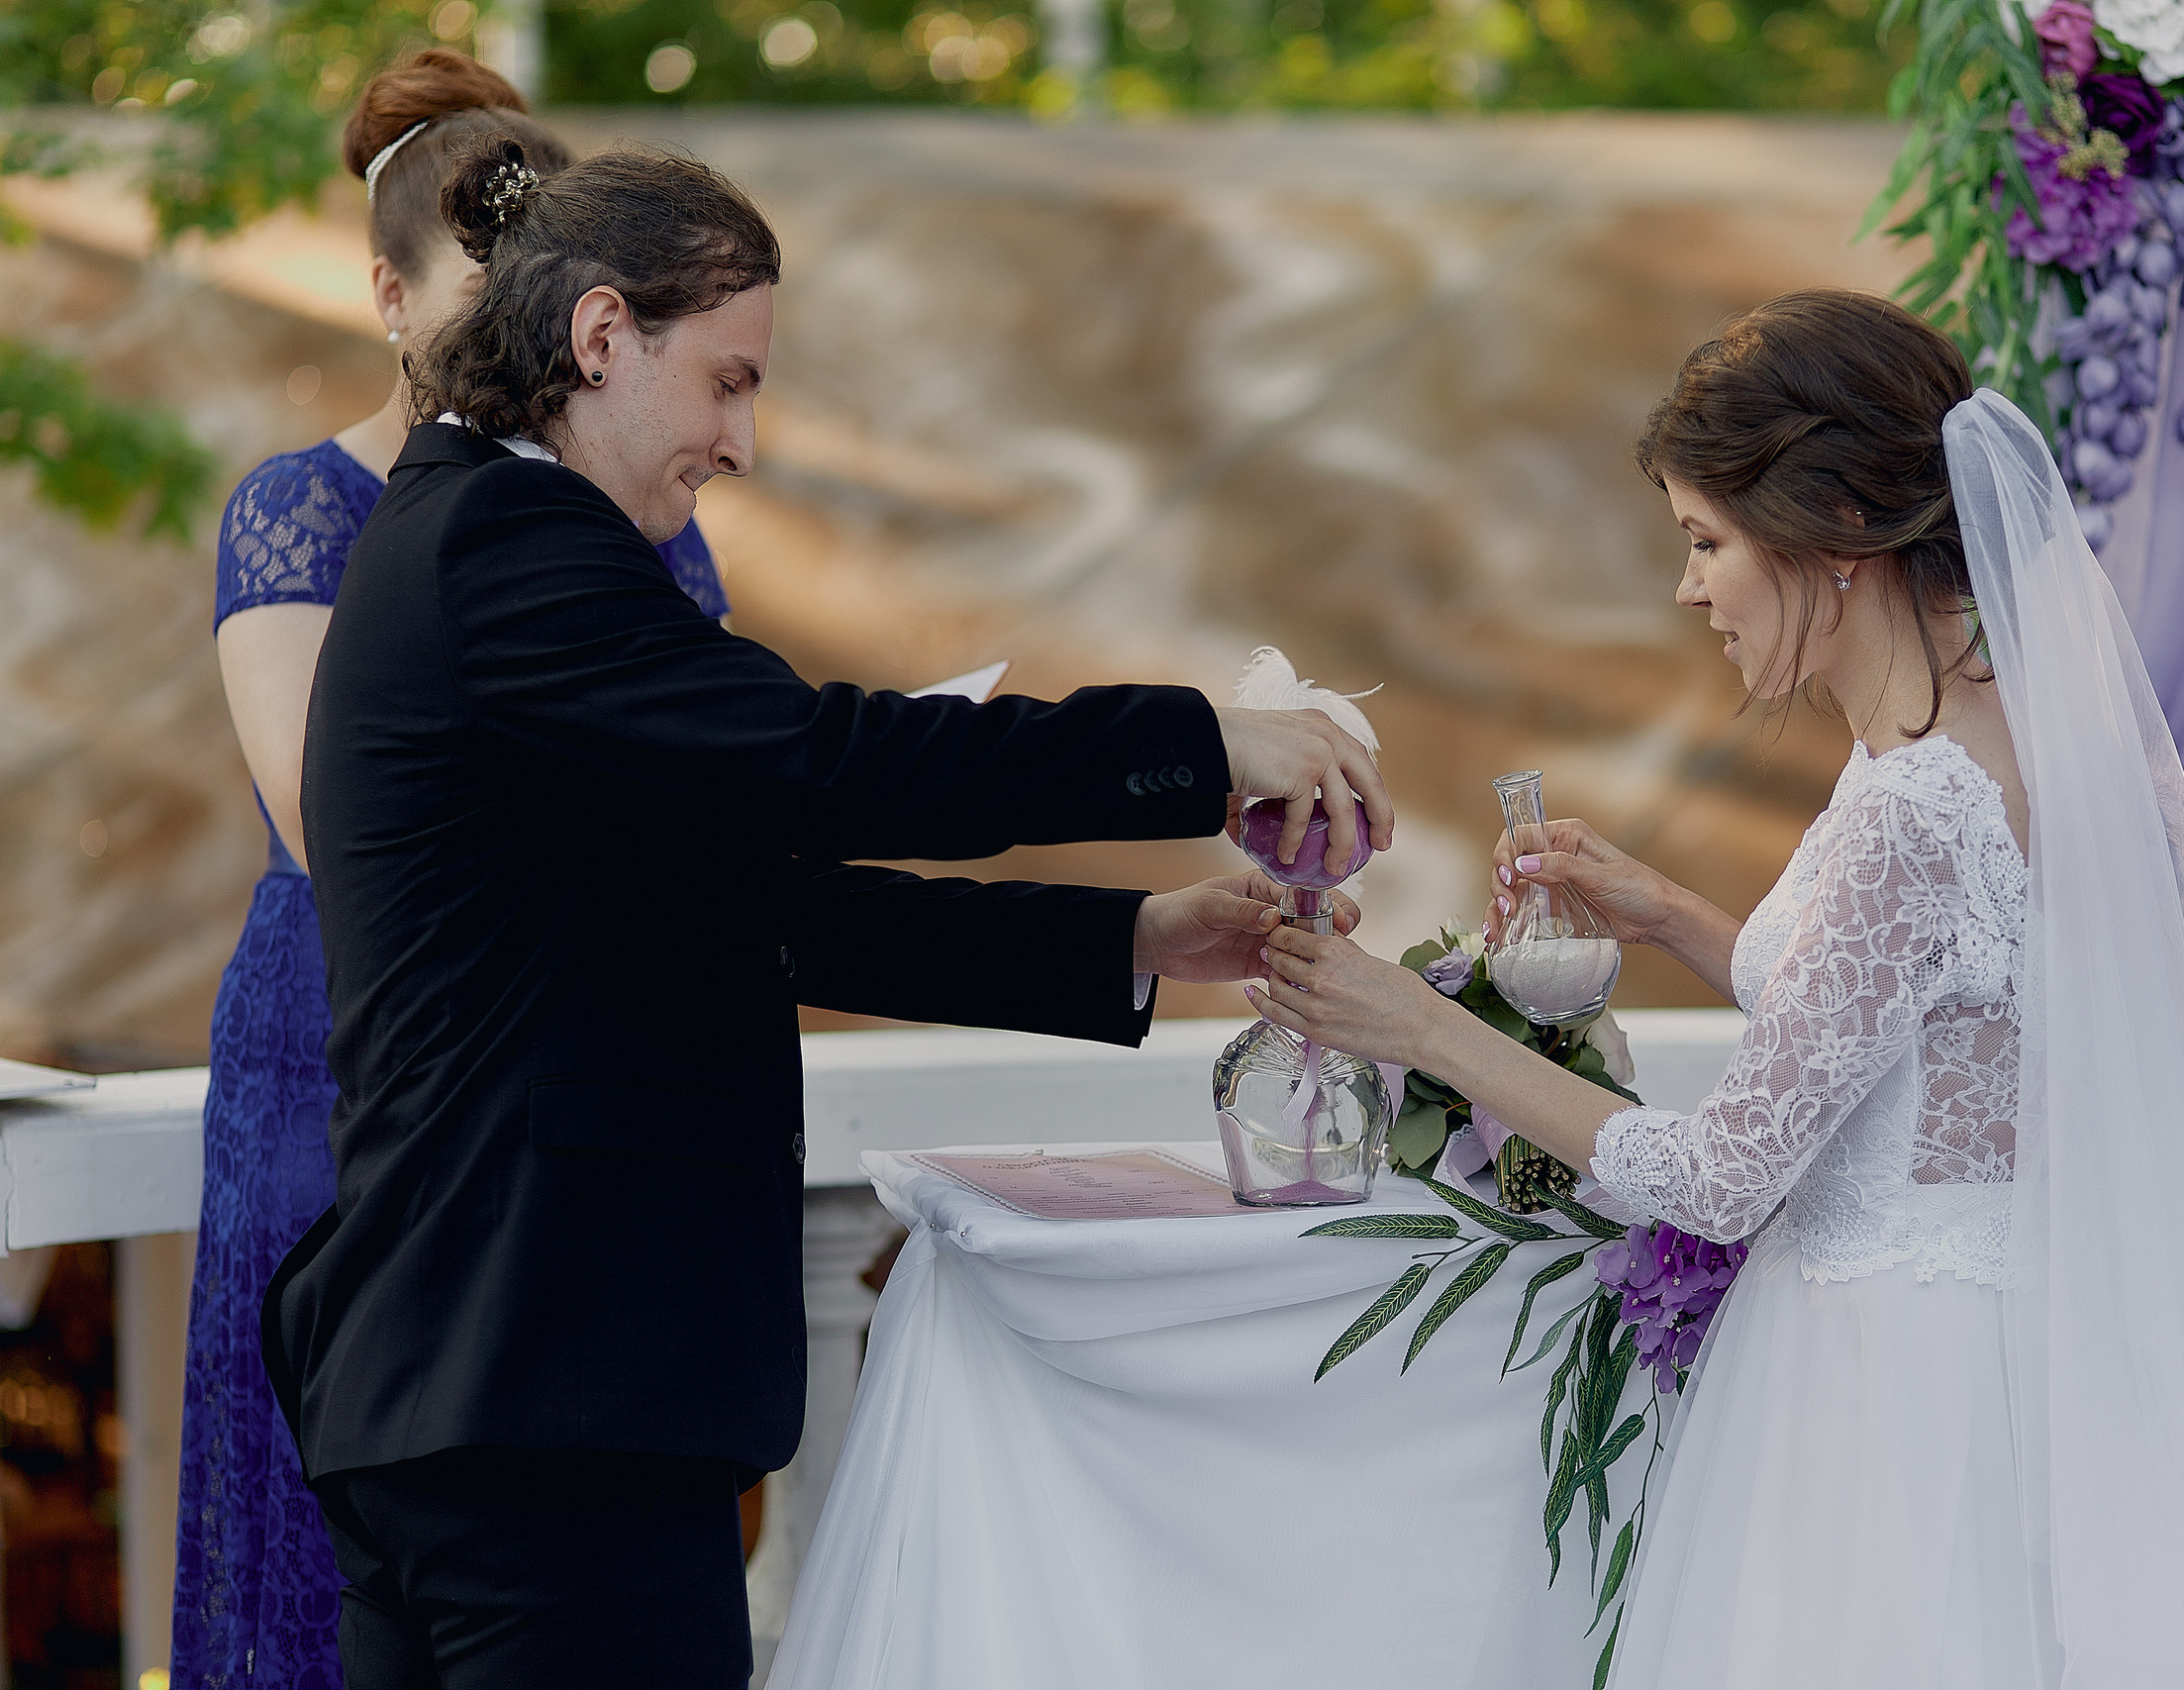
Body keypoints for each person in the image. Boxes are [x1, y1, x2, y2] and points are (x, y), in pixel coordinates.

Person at [260, 133, 1389, 1689]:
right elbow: (825, 760)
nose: (739, 439)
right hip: (543, 1381)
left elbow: (760, 912)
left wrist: (1134, 937)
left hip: (486, 1381)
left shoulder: (482, 543)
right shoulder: (507, 547)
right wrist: (1202, 743)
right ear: (601, 335)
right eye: (727, 380)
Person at [1254, 291, 2184, 1688]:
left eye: (1706, 542)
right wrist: (1678, 915)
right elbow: (1930, 1024)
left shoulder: (1909, 805)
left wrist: (1424, 1029)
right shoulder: (1970, 738)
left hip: (1892, 1394)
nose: (1690, 589)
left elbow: (1721, 1175)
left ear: (1830, 545)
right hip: (1992, 1347)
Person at [187, 50, 734, 1690]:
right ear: (385, 293)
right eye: (471, 301)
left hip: (578, 1085)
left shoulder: (651, 523)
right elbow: (319, 821)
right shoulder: (299, 511)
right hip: (346, 1064)